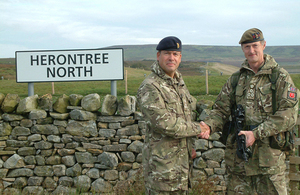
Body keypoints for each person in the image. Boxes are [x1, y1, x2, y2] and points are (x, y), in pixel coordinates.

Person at [199, 28, 299, 194]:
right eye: (247, 47)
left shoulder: (280, 77)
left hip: (270, 162)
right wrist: (209, 126)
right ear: (242, 49)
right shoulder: (236, 79)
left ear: (263, 45)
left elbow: (288, 115)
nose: (251, 50)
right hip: (240, 163)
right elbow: (220, 109)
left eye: (255, 46)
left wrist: (257, 133)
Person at [137, 36, 205, 195]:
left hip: (182, 167)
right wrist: (198, 128)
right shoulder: (150, 86)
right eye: (167, 53)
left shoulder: (179, 83)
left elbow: (188, 114)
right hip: (163, 171)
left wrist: (191, 145)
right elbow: (164, 124)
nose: (171, 58)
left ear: (180, 58)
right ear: (158, 56)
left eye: (175, 54)